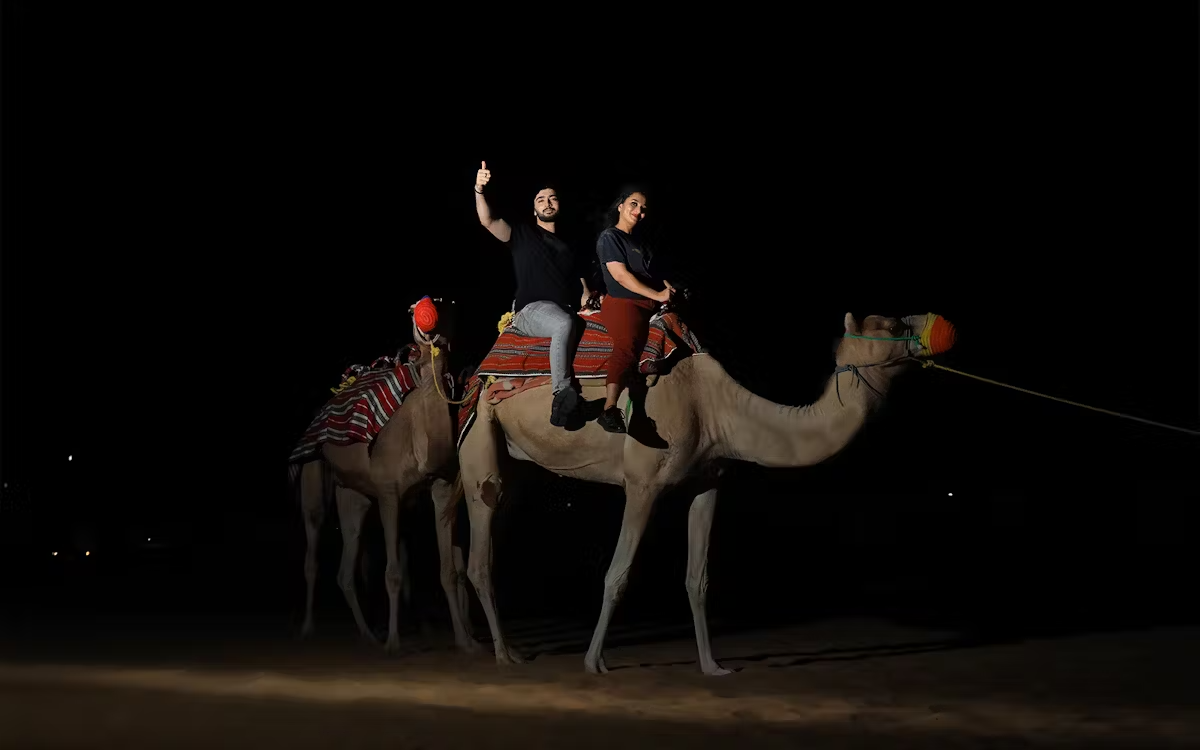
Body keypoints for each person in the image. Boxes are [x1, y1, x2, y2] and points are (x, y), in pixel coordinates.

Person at [475, 161, 599, 426]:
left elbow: (582, 287)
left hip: (565, 307)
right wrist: (479, 190)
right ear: (534, 209)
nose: (548, 202)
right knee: (562, 322)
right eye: (541, 199)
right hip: (531, 311)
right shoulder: (521, 233)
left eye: (552, 198)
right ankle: (561, 395)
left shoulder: (569, 247)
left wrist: (589, 298)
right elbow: (487, 220)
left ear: (559, 205)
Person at [594, 187, 675, 433]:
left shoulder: (640, 244)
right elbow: (621, 276)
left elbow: (652, 277)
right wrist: (658, 295)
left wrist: (667, 290)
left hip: (649, 304)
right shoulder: (610, 237)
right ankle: (609, 409)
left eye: (643, 208)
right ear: (620, 206)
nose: (639, 211)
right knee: (627, 343)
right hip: (623, 302)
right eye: (634, 204)